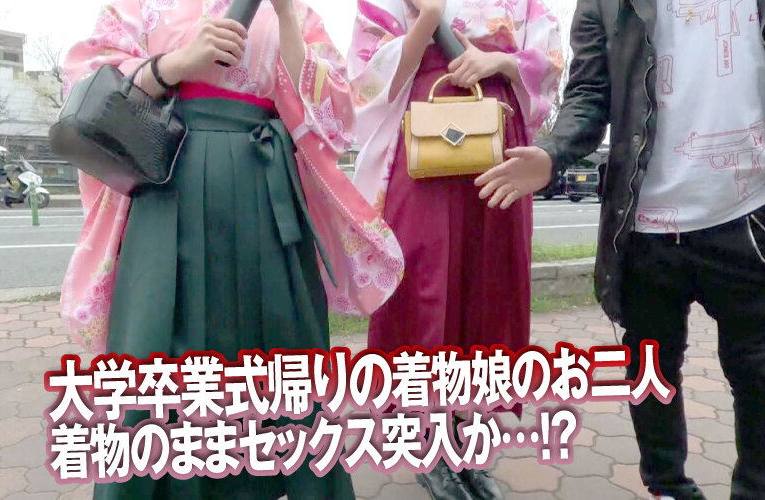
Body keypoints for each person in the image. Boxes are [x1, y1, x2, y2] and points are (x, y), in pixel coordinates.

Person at [60, 0, 405, 498]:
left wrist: (285, 19)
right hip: (167, 183)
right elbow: (86, 78)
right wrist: (172, 65)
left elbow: (337, 116)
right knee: (156, 349)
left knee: (284, 351)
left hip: (266, 186)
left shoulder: (293, 12)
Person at [474, 0, 765, 499]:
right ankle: (668, 487)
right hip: (644, 222)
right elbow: (589, 93)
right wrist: (551, 152)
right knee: (651, 370)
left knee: (757, 372)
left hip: (747, 215)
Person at [347, 0, 562, 498]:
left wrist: (500, 61)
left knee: (489, 281)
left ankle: (466, 441)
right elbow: (366, 77)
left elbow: (550, 59)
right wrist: (427, 18)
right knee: (422, 279)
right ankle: (425, 440)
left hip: (497, 127)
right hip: (423, 125)